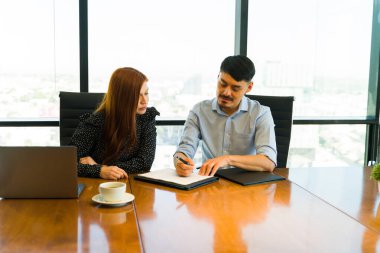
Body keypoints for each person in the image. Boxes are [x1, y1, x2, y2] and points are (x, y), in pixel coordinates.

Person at [173, 55, 277, 177]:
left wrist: (228, 159)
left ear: (249, 87)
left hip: (246, 185)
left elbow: (268, 162)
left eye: (235, 88)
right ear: (218, 77)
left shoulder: (261, 113)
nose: (226, 92)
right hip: (210, 182)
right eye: (222, 84)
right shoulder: (199, 111)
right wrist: (179, 162)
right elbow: (183, 151)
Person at [70, 67, 160, 180]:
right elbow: (67, 163)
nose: (144, 101)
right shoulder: (96, 122)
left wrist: (100, 167)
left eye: (146, 93)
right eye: (137, 95)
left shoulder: (146, 118)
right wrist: (100, 172)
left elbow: (144, 163)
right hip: (98, 187)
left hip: (133, 185)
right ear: (122, 97)